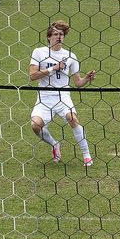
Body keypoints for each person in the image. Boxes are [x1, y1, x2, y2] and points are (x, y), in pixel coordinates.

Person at [28, 20, 97, 166]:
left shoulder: (71, 56)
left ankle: (86, 155)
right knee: (35, 125)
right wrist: (53, 68)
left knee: (72, 118)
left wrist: (87, 78)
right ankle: (54, 144)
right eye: (55, 34)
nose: (58, 37)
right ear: (48, 37)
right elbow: (32, 76)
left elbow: (77, 83)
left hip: (63, 97)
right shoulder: (39, 52)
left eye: (61, 34)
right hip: (44, 98)